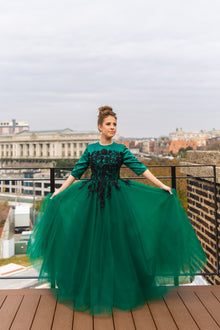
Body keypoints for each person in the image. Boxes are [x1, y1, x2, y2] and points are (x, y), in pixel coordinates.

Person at [27, 106, 207, 317]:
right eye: (109, 124)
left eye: (114, 124)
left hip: (117, 200)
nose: (112, 128)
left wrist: (162, 186)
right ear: (100, 127)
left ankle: (121, 289)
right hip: (92, 202)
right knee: (90, 244)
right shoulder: (91, 149)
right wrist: (59, 191)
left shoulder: (121, 149)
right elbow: (76, 172)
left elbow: (141, 169)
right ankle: (93, 288)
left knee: (120, 244)